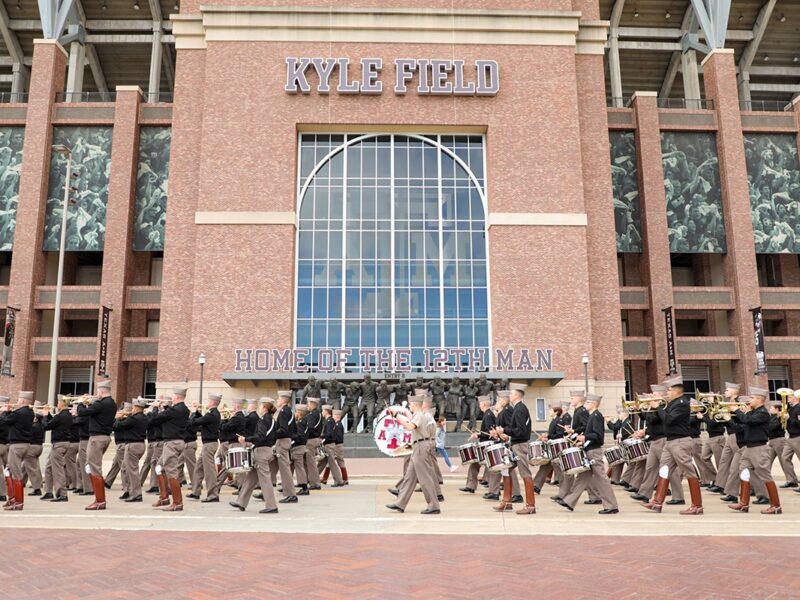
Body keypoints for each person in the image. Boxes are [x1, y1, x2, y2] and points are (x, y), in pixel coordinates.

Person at [641, 376, 703, 515]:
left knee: (688, 471)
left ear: (676, 391)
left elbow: (669, 420)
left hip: (680, 442)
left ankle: (697, 505)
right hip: (670, 441)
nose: (667, 392)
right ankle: (657, 502)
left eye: (669, 390)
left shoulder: (682, 403)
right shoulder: (672, 403)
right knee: (664, 469)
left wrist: (658, 407)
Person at [555, 394, 619, 514]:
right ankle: (569, 501)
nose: (586, 404)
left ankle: (611, 505)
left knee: (602, 479)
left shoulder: (596, 416)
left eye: (588, 402)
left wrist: (584, 437)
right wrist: (582, 441)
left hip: (594, 451)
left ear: (594, 404)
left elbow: (598, 436)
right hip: (589, 449)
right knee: (582, 477)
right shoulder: (592, 416)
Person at [727, 388, 782, 514]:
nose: (750, 400)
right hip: (749, 447)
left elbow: (747, 420)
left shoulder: (762, 413)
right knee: (744, 472)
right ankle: (743, 503)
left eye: (752, 398)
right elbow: (742, 425)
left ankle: (776, 505)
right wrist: (730, 418)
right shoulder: (753, 412)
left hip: (759, 448)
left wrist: (736, 410)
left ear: (759, 399)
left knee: (765, 475)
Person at [385, 395, 440, 514]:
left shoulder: (419, 415)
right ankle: (400, 503)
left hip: (421, 448)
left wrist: (396, 416)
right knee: (409, 478)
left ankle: (434, 505)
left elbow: (410, 427)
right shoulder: (426, 415)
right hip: (421, 446)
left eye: (410, 404)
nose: (409, 406)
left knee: (425, 478)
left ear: (415, 404)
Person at [230, 397, 279, 514]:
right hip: (266, 450)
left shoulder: (263, 420)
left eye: (261, 405)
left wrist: (246, 439)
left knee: (265, 481)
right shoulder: (272, 420)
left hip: (261, 452)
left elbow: (260, 437)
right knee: (251, 478)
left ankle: (271, 505)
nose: (259, 408)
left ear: (265, 407)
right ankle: (241, 502)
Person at [75, 381, 117, 511]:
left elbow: (81, 412)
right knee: (91, 466)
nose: (96, 394)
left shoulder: (101, 403)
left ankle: (100, 500)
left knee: (94, 468)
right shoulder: (112, 403)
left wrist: (81, 402)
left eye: (98, 391)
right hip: (104, 437)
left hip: (97, 438)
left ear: (102, 391)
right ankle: (99, 499)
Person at [496, 383, 536, 515]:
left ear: (517, 395)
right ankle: (507, 501)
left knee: (525, 473)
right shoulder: (519, 408)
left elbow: (520, 431)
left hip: (520, 445)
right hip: (516, 443)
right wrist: (508, 435)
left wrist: (504, 430)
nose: (510, 396)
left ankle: (530, 505)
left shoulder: (519, 409)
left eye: (512, 394)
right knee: (506, 469)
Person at [148, 387, 189, 512]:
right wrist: (165, 407)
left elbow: (153, 420)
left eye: (172, 397)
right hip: (175, 441)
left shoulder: (175, 410)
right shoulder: (183, 409)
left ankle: (177, 502)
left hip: (172, 442)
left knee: (171, 471)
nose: (171, 399)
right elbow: (168, 419)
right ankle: (164, 497)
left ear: (176, 397)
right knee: (159, 468)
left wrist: (155, 407)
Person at [1, 391, 34, 510]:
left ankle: (18, 502)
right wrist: (9, 412)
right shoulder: (30, 412)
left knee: (15, 473)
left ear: (23, 401)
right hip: (25, 444)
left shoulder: (18, 413)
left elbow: (3, 422)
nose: (18, 401)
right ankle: (12, 499)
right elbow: (12, 420)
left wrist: (4, 411)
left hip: (17, 445)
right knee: (8, 470)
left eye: (19, 399)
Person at [187, 393, 221, 502]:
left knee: (209, 471)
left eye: (208, 400)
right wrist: (196, 412)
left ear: (212, 402)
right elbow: (202, 419)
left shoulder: (211, 415)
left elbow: (194, 422)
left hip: (209, 445)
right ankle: (195, 492)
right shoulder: (212, 414)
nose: (207, 402)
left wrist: (192, 412)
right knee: (198, 468)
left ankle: (213, 494)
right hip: (208, 444)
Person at [114, 397, 148, 503]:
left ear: (137, 408)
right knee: (126, 468)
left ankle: (136, 494)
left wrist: (117, 418)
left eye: (133, 407)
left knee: (132, 470)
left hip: (133, 445)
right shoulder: (143, 417)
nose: (132, 409)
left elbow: (118, 427)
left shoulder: (134, 418)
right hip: (140, 444)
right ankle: (129, 490)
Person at [40, 396, 73, 502]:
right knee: (49, 468)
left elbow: (46, 427)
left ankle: (62, 494)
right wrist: (48, 415)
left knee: (57, 469)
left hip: (59, 444)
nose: (57, 404)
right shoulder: (66, 414)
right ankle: (48, 491)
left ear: (62, 403)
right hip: (62, 443)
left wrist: (45, 416)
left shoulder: (61, 415)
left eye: (58, 402)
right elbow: (54, 422)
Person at [460, 395, 495, 495]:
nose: (479, 406)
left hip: (486, 445)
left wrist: (478, 434)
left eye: (480, 404)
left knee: (478, 464)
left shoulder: (488, 415)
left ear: (484, 404)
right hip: (485, 444)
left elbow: (489, 432)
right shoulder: (488, 414)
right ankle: (471, 486)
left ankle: (476, 486)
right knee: (476, 464)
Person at [270, 390, 298, 503]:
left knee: (284, 470)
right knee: (272, 467)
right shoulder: (290, 411)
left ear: (283, 400)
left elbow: (283, 429)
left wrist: (272, 433)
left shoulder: (282, 412)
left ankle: (291, 494)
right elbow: (294, 429)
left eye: (278, 398)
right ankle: (266, 491)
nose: (277, 400)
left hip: (282, 441)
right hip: (285, 441)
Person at [533, 405, 565, 493]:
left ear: (556, 412)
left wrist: (548, 436)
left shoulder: (559, 421)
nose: (549, 412)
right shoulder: (553, 421)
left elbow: (559, 434)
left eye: (551, 410)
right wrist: (547, 436)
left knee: (558, 469)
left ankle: (565, 489)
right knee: (545, 466)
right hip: (550, 447)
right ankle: (536, 485)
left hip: (556, 448)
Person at [104, 402, 131, 494]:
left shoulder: (127, 420)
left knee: (124, 466)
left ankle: (126, 486)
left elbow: (115, 427)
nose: (121, 412)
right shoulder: (121, 419)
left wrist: (117, 419)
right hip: (120, 444)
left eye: (123, 410)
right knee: (115, 464)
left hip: (122, 444)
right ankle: (108, 482)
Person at [319, 404, 344, 487]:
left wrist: (322, 437)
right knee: (321, 464)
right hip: (328, 445)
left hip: (329, 445)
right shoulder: (330, 421)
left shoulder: (330, 421)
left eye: (323, 411)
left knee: (332, 464)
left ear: (326, 411)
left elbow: (329, 434)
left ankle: (339, 481)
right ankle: (311, 478)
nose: (322, 412)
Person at [24, 400, 46, 495]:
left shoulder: (34, 426)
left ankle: (37, 488)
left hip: (33, 447)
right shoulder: (41, 424)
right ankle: (24, 482)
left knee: (32, 468)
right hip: (39, 446)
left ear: (36, 418)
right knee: (33, 466)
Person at [303, 397, 324, 490]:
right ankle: (309, 480)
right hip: (316, 439)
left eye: (308, 404)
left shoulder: (311, 415)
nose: (307, 405)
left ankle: (315, 483)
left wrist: (304, 435)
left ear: (312, 404)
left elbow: (310, 428)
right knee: (309, 462)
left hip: (311, 440)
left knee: (310, 463)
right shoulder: (318, 414)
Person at [291, 404, 310, 496]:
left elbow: (299, 435)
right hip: (301, 446)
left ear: (299, 412)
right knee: (297, 467)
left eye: (296, 412)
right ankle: (288, 486)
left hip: (298, 446)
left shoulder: (301, 422)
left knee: (299, 467)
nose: (295, 413)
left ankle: (304, 487)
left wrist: (290, 436)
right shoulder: (304, 421)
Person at [0, 396, 9, 502]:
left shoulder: (3, 418)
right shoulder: (12, 416)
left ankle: (2, 494)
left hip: (1, 445)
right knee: (9, 470)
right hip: (8, 446)